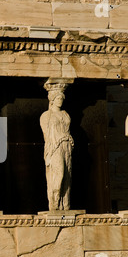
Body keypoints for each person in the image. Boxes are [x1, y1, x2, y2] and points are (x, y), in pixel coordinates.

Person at [40, 83, 74, 211]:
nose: (60, 100)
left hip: (67, 146)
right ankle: (54, 202)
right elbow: (46, 135)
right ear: (52, 100)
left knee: (67, 176)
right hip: (54, 147)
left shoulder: (65, 114)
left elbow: (67, 130)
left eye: (61, 98)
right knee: (58, 173)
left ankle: (65, 205)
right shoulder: (46, 116)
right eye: (58, 98)